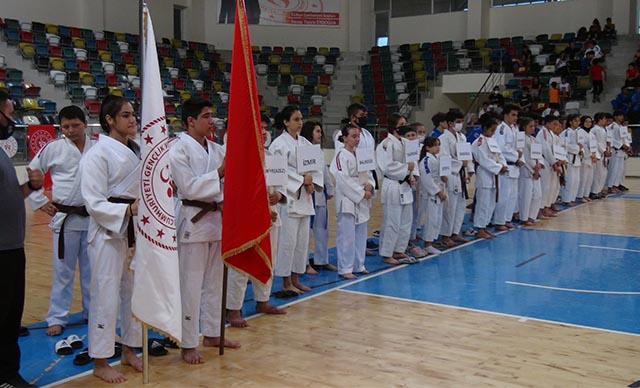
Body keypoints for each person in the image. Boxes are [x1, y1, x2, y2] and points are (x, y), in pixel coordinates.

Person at [169, 98, 240, 364]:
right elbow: (187, 188)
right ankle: (188, 342)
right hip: (193, 221)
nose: (212, 121)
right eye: (206, 116)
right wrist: (219, 174)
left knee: (215, 283)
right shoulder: (178, 150)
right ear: (190, 121)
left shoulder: (217, 149)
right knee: (191, 285)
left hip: (217, 221)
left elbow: (231, 183)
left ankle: (212, 332)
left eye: (212, 116)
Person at [80, 95, 142, 383]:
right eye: (126, 115)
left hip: (133, 231)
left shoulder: (136, 150)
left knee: (133, 293)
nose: (132, 120)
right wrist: (127, 209)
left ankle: (130, 349)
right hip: (107, 233)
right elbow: (92, 202)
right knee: (105, 296)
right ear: (109, 120)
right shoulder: (97, 154)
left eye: (133, 115)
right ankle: (101, 360)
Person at [28, 106, 93, 337]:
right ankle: (57, 317)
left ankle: (92, 311)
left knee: (91, 271)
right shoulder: (54, 147)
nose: (70, 130)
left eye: (75, 125)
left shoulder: (98, 146)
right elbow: (33, 170)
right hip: (66, 218)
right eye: (65, 126)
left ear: (85, 123)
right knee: (63, 272)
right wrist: (39, 201)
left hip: (93, 218)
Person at [226, 114, 286, 328]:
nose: (262, 132)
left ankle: (263, 300)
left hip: (272, 217)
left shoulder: (272, 157)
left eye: (264, 128)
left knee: (269, 260)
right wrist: (260, 212)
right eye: (257, 128)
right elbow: (237, 193)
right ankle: (233, 308)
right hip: (248, 219)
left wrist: (279, 196)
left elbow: (281, 186)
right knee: (242, 265)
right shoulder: (239, 158)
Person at [0, 90, 43, 388]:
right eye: (9, 113)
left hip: (12, 247)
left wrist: (30, 186)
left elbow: (10, 197)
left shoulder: (1, 152)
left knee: (11, 316)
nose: (12, 120)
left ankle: (8, 372)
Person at [270, 106, 323, 294]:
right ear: (285, 122)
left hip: (305, 199)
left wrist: (312, 183)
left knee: (302, 242)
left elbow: (316, 169)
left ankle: (295, 278)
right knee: (288, 242)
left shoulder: (306, 144)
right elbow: (279, 172)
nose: (300, 123)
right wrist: (302, 180)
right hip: (289, 199)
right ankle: (285, 282)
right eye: (295, 119)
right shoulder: (278, 145)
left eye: (301, 119)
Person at [330, 124, 375, 279]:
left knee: (361, 235)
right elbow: (343, 180)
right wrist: (362, 192)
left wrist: (370, 186)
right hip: (348, 200)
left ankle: (359, 264)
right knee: (347, 236)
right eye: (353, 136)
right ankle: (345, 268)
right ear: (344, 138)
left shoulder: (361, 155)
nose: (357, 139)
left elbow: (368, 174)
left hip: (362, 198)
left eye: (358, 136)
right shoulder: (340, 156)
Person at [376, 122, 420, 265]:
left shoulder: (407, 142)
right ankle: (387, 253)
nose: (405, 125)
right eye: (401, 124)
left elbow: (413, 161)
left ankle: (399, 249)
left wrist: (412, 175)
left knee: (406, 221)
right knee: (392, 222)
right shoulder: (386, 144)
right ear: (394, 127)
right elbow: (387, 167)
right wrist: (406, 169)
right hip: (393, 184)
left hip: (406, 184)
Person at [300, 120, 336, 274]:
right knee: (306, 231)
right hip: (308, 194)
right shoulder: (302, 150)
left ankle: (322, 260)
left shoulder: (319, 152)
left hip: (320, 195)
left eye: (320, 131)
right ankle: (305, 262)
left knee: (322, 229)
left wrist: (330, 188)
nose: (320, 134)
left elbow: (325, 173)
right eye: (317, 131)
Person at [438, 110, 473, 247]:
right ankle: (446, 235)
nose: (460, 124)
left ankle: (455, 232)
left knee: (460, 205)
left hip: (461, 175)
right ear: (450, 123)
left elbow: (467, 155)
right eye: (458, 121)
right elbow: (444, 158)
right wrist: (460, 164)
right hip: (451, 176)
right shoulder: (443, 139)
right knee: (450, 207)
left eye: (461, 121)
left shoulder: (462, 137)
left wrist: (469, 171)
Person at [471, 113, 507, 239]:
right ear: (485, 129)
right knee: (483, 203)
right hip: (485, 175)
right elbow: (483, 160)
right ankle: (480, 228)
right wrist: (499, 167)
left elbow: (499, 155)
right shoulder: (478, 142)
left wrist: (503, 164)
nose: (493, 132)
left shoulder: (493, 141)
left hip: (494, 177)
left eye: (494, 130)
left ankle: (485, 226)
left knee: (491, 203)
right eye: (491, 130)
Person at [492, 104, 521, 231]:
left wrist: (520, 158)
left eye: (516, 115)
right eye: (513, 115)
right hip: (506, 165)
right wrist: (516, 156)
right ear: (505, 115)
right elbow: (501, 148)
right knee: (504, 195)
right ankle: (499, 221)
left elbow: (520, 147)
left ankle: (507, 219)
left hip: (515, 166)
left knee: (512, 195)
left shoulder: (515, 129)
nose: (515, 118)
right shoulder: (501, 129)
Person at [418, 136, 448, 252]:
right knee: (431, 218)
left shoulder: (436, 158)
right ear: (428, 148)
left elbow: (438, 174)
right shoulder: (426, 160)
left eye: (438, 145)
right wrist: (437, 192)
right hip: (432, 194)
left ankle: (433, 240)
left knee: (437, 218)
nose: (438, 147)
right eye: (435, 145)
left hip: (439, 190)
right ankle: (427, 243)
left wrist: (444, 178)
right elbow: (426, 179)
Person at [517, 117, 542, 226]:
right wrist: (534, 168)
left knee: (538, 195)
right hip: (527, 170)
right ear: (524, 127)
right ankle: (524, 217)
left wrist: (539, 165)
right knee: (526, 196)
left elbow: (539, 155)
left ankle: (532, 216)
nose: (533, 128)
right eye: (530, 126)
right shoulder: (521, 138)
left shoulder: (534, 139)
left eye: (534, 126)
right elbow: (525, 157)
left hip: (535, 170)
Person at [536, 115, 562, 217]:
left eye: (557, 124)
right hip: (544, 161)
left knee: (550, 187)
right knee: (544, 186)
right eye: (554, 124)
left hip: (551, 162)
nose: (556, 126)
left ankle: (546, 206)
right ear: (547, 123)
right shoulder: (543, 133)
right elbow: (546, 150)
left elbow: (555, 149)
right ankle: (540, 209)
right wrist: (554, 163)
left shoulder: (551, 133)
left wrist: (557, 161)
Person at [559, 114, 582, 206]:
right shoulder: (566, 132)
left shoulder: (578, 132)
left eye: (578, 121)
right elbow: (565, 146)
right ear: (570, 122)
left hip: (577, 159)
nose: (578, 123)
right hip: (569, 158)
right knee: (569, 180)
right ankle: (566, 199)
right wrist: (577, 148)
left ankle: (572, 198)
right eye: (575, 121)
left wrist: (581, 150)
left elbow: (581, 145)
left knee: (576, 181)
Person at [605, 110, 630, 193]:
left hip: (622, 151)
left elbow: (624, 138)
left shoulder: (621, 127)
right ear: (615, 117)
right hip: (615, 150)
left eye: (622, 115)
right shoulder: (612, 126)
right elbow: (611, 139)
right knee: (613, 169)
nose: (621, 117)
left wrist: (627, 147)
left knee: (620, 170)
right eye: (620, 115)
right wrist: (621, 145)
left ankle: (615, 185)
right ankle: (610, 186)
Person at [576, 116, 597, 203]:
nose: (588, 123)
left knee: (589, 178)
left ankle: (586, 194)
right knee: (583, 178)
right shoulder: (580, 132)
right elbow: (582, 145)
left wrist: (595, 155)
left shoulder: (591, 134)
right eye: (586, 122)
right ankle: (580, 196)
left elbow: (594, 146)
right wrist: (588, 154)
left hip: (591, 158)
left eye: (590, 122)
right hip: (584, 158)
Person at [590, 112, 609, 199]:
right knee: (598, 174)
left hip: (602, 153)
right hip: (597, 153)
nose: (605, 121)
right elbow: (597, 143)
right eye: (604, 119)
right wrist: (604, 150)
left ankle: (599, 190)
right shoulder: (595, 129)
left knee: (603, 173)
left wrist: (607, 150)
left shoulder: (602, 129)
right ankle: (594, 191)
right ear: (599, 120)